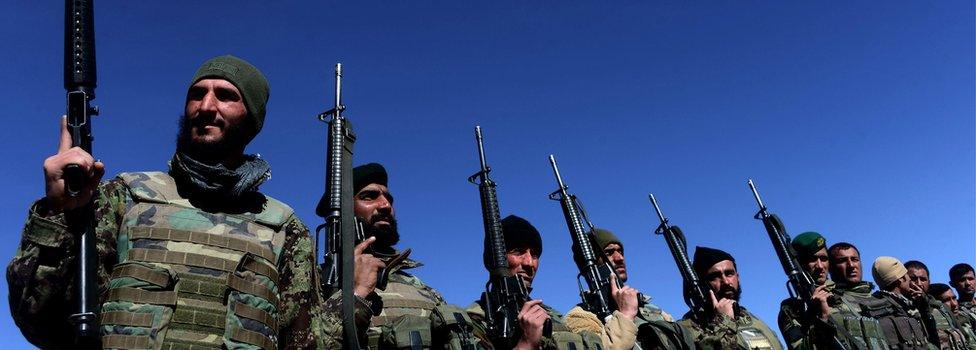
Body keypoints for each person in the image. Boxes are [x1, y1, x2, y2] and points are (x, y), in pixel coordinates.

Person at [7, 55, 338, 349]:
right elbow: (41, 323)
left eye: (226, 96)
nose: (206, 106)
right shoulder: (125, 197)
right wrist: (58, 212)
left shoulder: (284, 229)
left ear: (252, 119)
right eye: (197, 94)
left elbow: (304, 343)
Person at [339, 162, 483, 349]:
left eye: (389, 199)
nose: (385, 205)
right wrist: (357, 294)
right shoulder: (323, 285)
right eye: (369, 196)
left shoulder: (426, 292)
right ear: (342, 210)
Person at [466, 215, 603, 350]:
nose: (529, 262)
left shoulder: (553, 318)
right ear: (493, 261)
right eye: (518, 251)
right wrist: (526, 345)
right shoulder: (470, 323)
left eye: (535, 254)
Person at [563, 228, 674, 350]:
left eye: (620, 251)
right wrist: (625, 316)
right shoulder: (580, 318)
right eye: (609, 253)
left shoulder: (649, 309)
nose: (620, 258)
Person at [777, 232, 881, 350]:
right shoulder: (792, 309)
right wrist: (821, 319)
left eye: (824, 258)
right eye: (812, 259)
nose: (820, 266)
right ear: (800, 265)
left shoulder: (847, 293)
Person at [674, 246, 783, 350]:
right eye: (715, 277)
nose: (725, 282)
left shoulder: (756, 321)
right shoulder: (685, 330)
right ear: (702, 284)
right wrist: (723, 322)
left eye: (729, 274)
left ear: (738, 277)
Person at [870, 257, 938, 349]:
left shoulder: (875, 305)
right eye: (908, 276)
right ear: (901, 279)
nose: (916, 283)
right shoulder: (897, 308)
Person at [905, 260, 972, 349]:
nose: (919, 284)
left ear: (929, 281)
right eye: (913, 279)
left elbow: (965, 338)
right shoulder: (901, 310)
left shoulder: (942, 308)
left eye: (923, 279)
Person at [930, 283, 976, 347]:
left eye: (954, 298)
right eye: (946, 300)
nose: (954, 304)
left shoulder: (966, 320)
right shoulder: (937, 329)